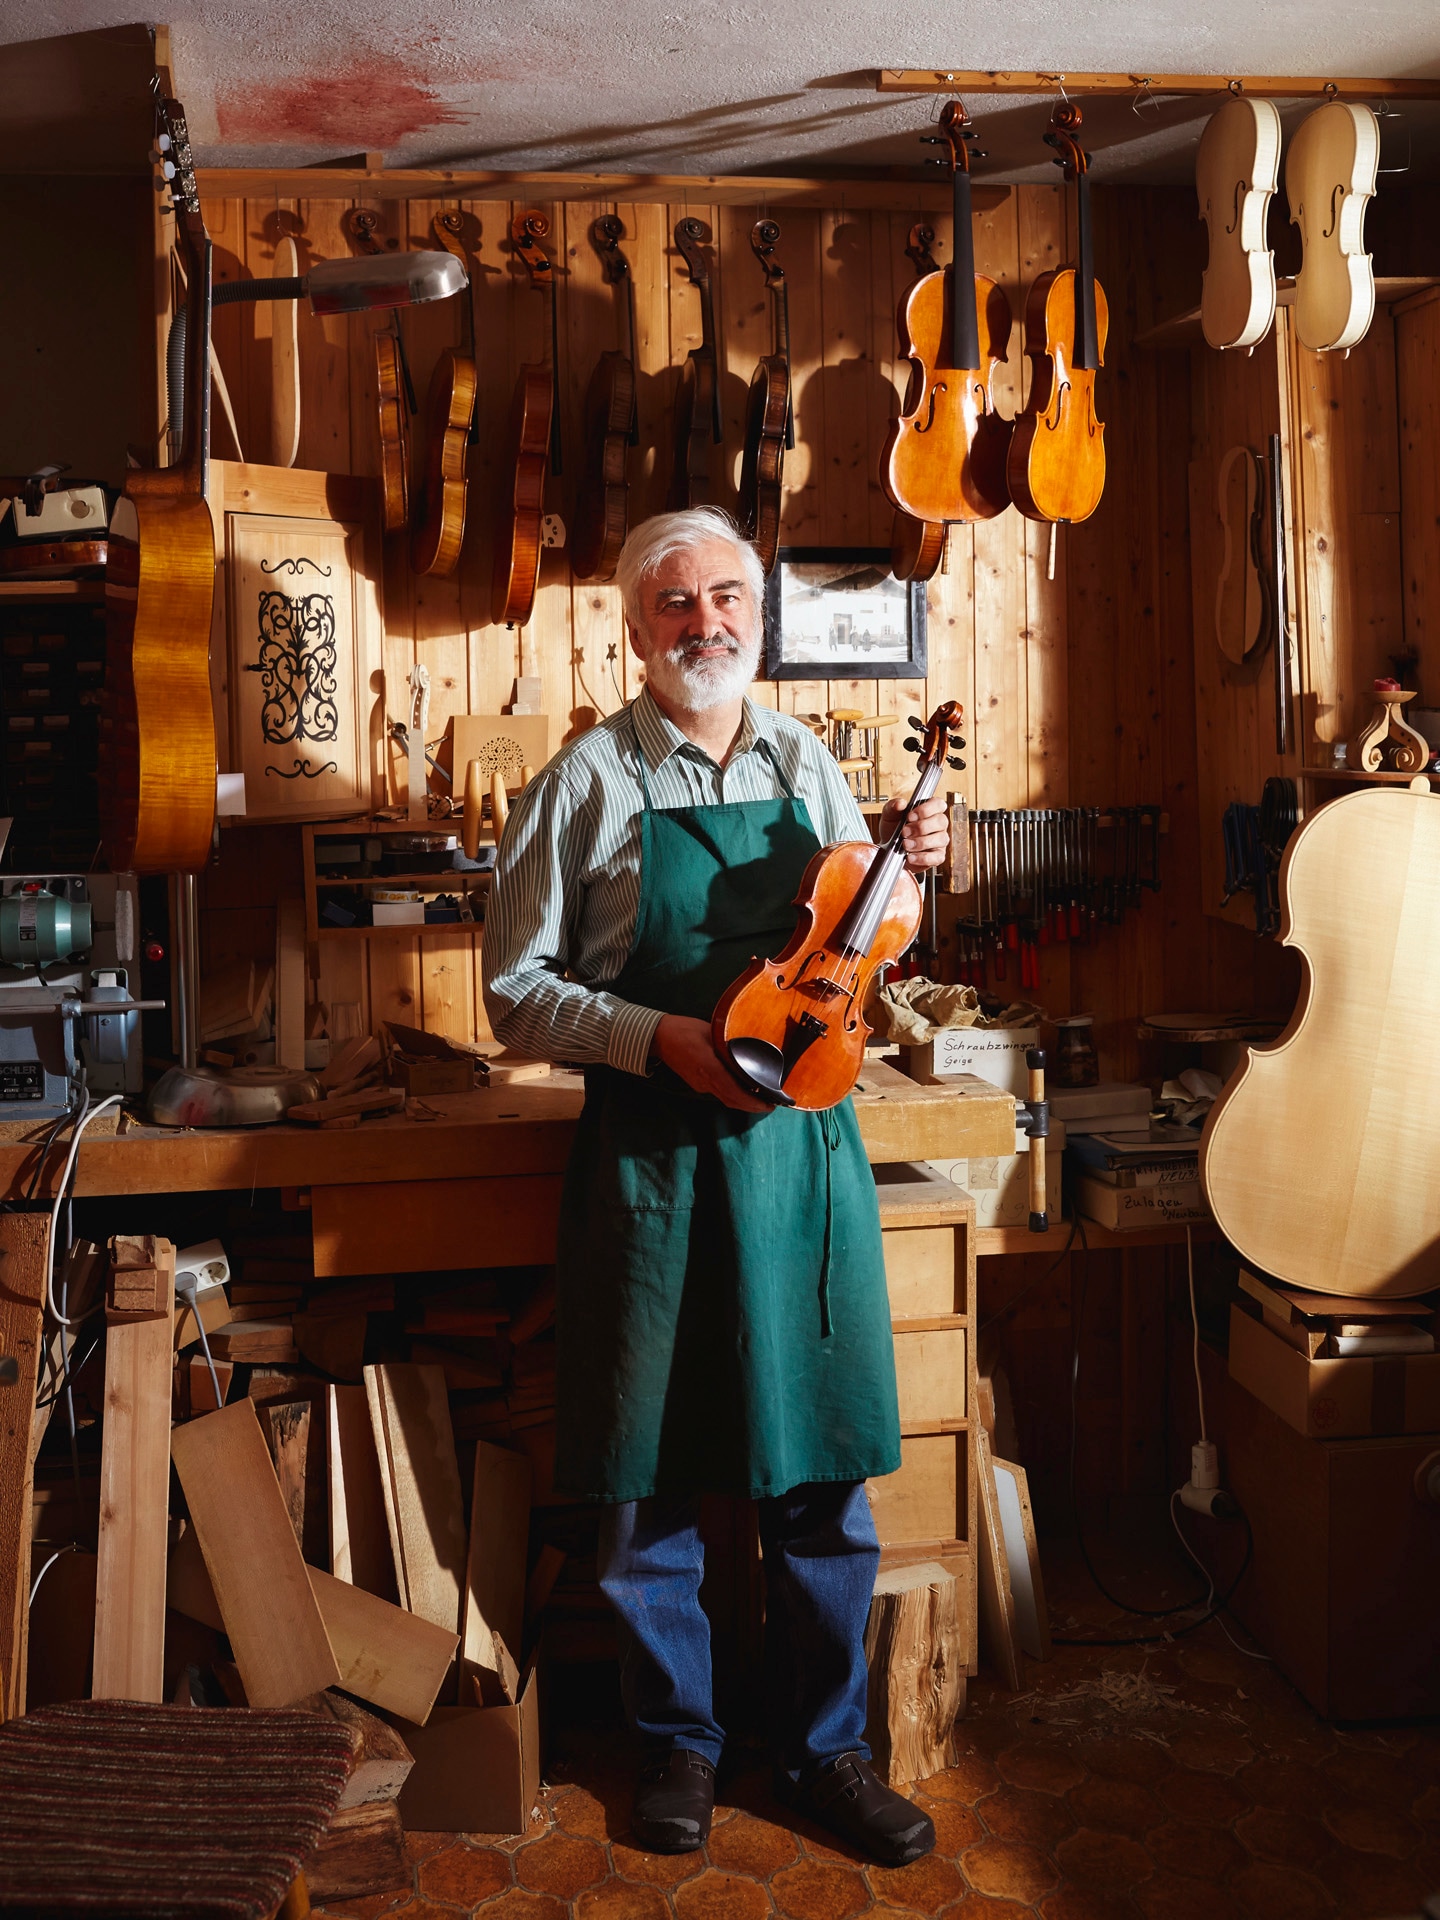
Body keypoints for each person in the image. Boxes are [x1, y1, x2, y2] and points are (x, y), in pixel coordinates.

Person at [482, 508, 949, 1865]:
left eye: (728, 597)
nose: (709, 625)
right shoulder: (584, 782)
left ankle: (826, 1752)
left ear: (758, 611)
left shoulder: (806, 756)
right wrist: (655, 1038)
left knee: (819, 1477)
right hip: (652, 1165)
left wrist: (916, 879)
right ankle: (676, 1746)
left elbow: (864, 949)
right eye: (677, 605)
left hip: (800, 1158)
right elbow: (512, 994)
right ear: (634, 630)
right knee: (652, 1481)